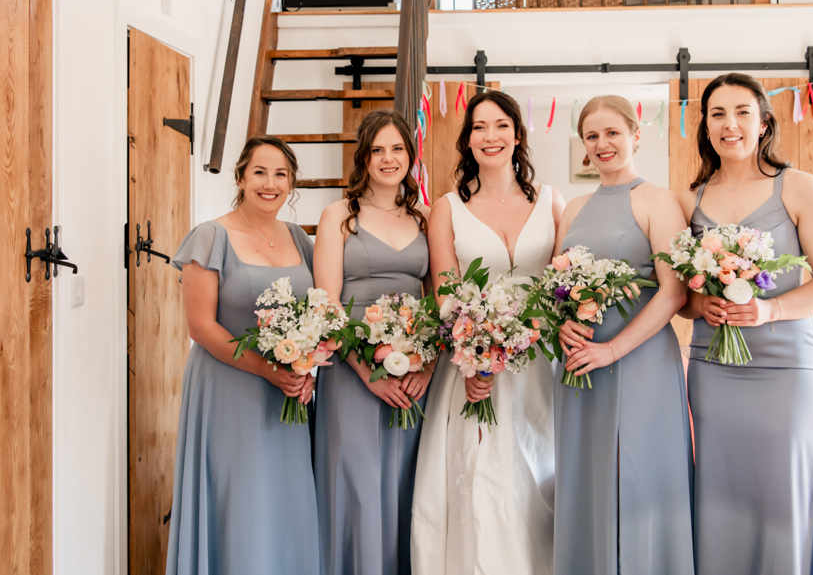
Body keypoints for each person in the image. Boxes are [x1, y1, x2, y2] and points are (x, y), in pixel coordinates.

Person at [677, 73, 813, 575]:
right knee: (719, 496)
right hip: (714, 368)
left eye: (742, 112)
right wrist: (700, 305)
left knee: (783, 500)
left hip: (786, 371)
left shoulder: (799, 187)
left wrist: (770, 310)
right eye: (717, 114)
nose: (730, 124)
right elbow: (682, 299)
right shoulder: (688, 200)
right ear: (705, 127)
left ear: (764, 122)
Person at [411, 90, 565, 575]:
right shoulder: (448, 207)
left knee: (540, 467)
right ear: (468, 140)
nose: (490, 136)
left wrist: (538, 330)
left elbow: (560, 283)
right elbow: (446, 290)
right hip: (475, 359)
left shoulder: (552, 200)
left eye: (500, 125)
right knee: (481, 472)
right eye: (479, 127)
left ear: (518, 135)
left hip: (540, 358)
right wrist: (476, 357)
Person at [554, 95, 695, 575]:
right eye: (591, 136)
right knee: (585, 476)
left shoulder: (659, 200)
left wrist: (612, 349)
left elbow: (673, 293)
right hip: (579, 367)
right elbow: (556, 289)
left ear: (636, 135)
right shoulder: (572, 208)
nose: (602, 144)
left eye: (612, 132)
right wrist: (563, 324)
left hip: (640, 363)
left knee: (639, 476)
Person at [165, 136, 319, 575]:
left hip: (288, 390)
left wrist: (305, 366)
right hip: (230, 388)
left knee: (284, 495)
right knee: (240, 495)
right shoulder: (211, 235)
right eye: (259, 172)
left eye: (280, 174)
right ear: (240, 177)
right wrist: (269, 370)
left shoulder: (298, 237)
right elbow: (201, 326)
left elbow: (318, 310)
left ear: (291, 183)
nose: (269, 184)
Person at [311, 109, 433, 575]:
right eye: (378, 149)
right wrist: (369, 374)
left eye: (397, 148)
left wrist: (426, 367)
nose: (388, 158)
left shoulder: (423, 218)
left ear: (410, 154)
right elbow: (327, 303)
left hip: (414, 375)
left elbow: (436, 300)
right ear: (363, 157)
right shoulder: (339, 216)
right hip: (352, 372)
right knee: (357, 484)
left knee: (406, 484)